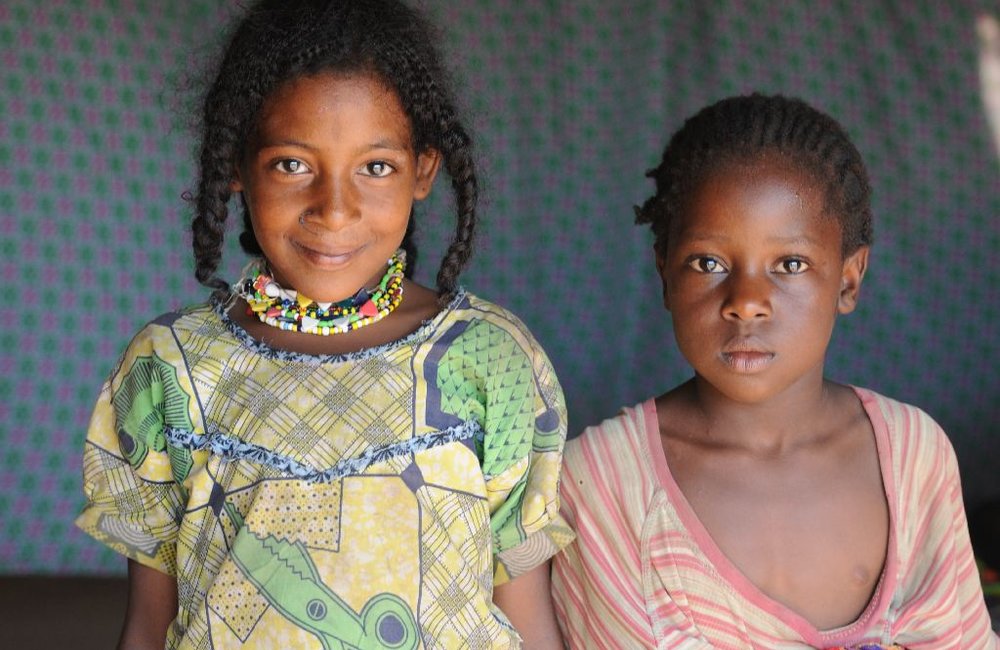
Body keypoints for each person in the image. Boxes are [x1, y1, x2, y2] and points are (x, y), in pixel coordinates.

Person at [75, 1, 572, 647]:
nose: (334, 210)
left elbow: (527, 613)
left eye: (375, 167)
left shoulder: (488, 355)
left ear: (423, 170)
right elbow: (148, 624)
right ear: (236, 165)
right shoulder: (171, 366)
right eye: (292, 164)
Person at [551, 94, 999, 649]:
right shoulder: (600, 484)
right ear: (664, 274)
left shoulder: (914, 456)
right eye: (709, 263)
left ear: (849, 280)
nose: (746, 302)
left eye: (790, 264)